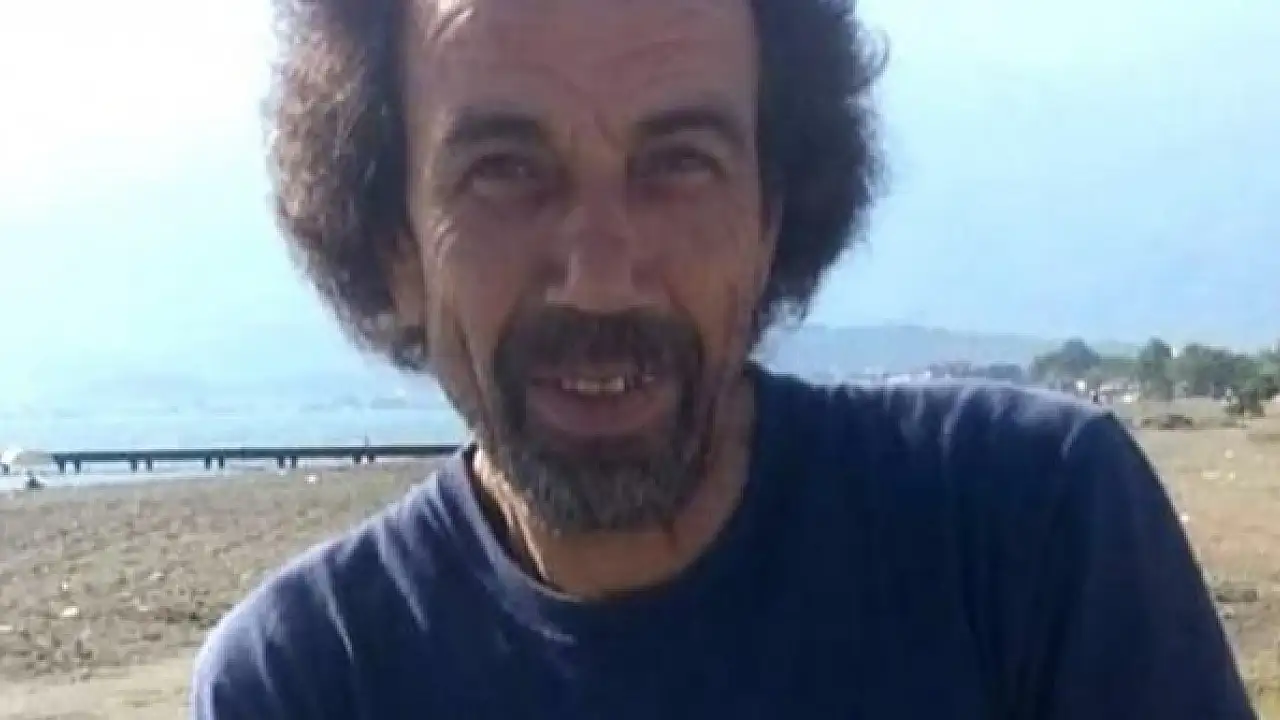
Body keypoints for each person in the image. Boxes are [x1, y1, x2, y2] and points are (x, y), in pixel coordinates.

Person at [192, 0, 1255, 717]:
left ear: (770, 217)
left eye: (678, 164)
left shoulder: (1029, 532)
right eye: (506, 170)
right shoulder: (304, 681)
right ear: (393, 245)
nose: (600, 276)